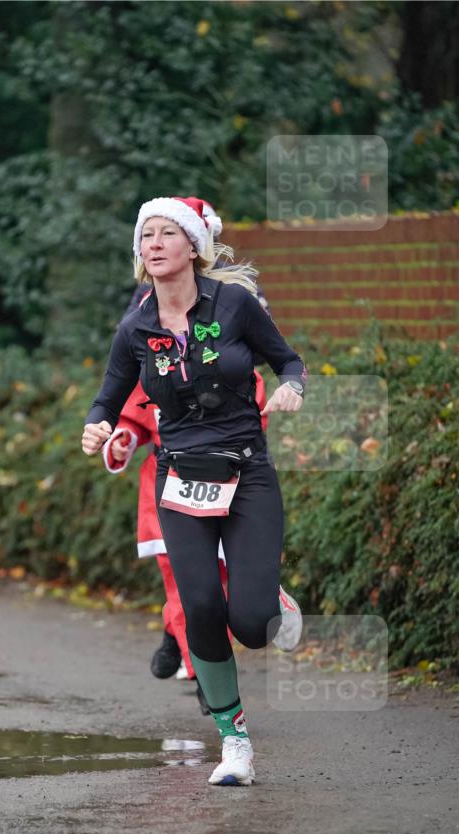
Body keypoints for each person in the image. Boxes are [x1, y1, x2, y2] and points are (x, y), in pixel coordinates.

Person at [82, 196, 307, 786]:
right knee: (201, 607)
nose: (152, 244)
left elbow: (289, 362)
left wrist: (292, 390)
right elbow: (108, 398)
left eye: (165, 234)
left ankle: (272, 604)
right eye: (145, 236)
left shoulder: (233, 304)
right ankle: (235, 742)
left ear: (192, 246)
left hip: (247, 470)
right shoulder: (136, 327)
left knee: (251, 624)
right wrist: (99, 428)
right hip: (180, 479)